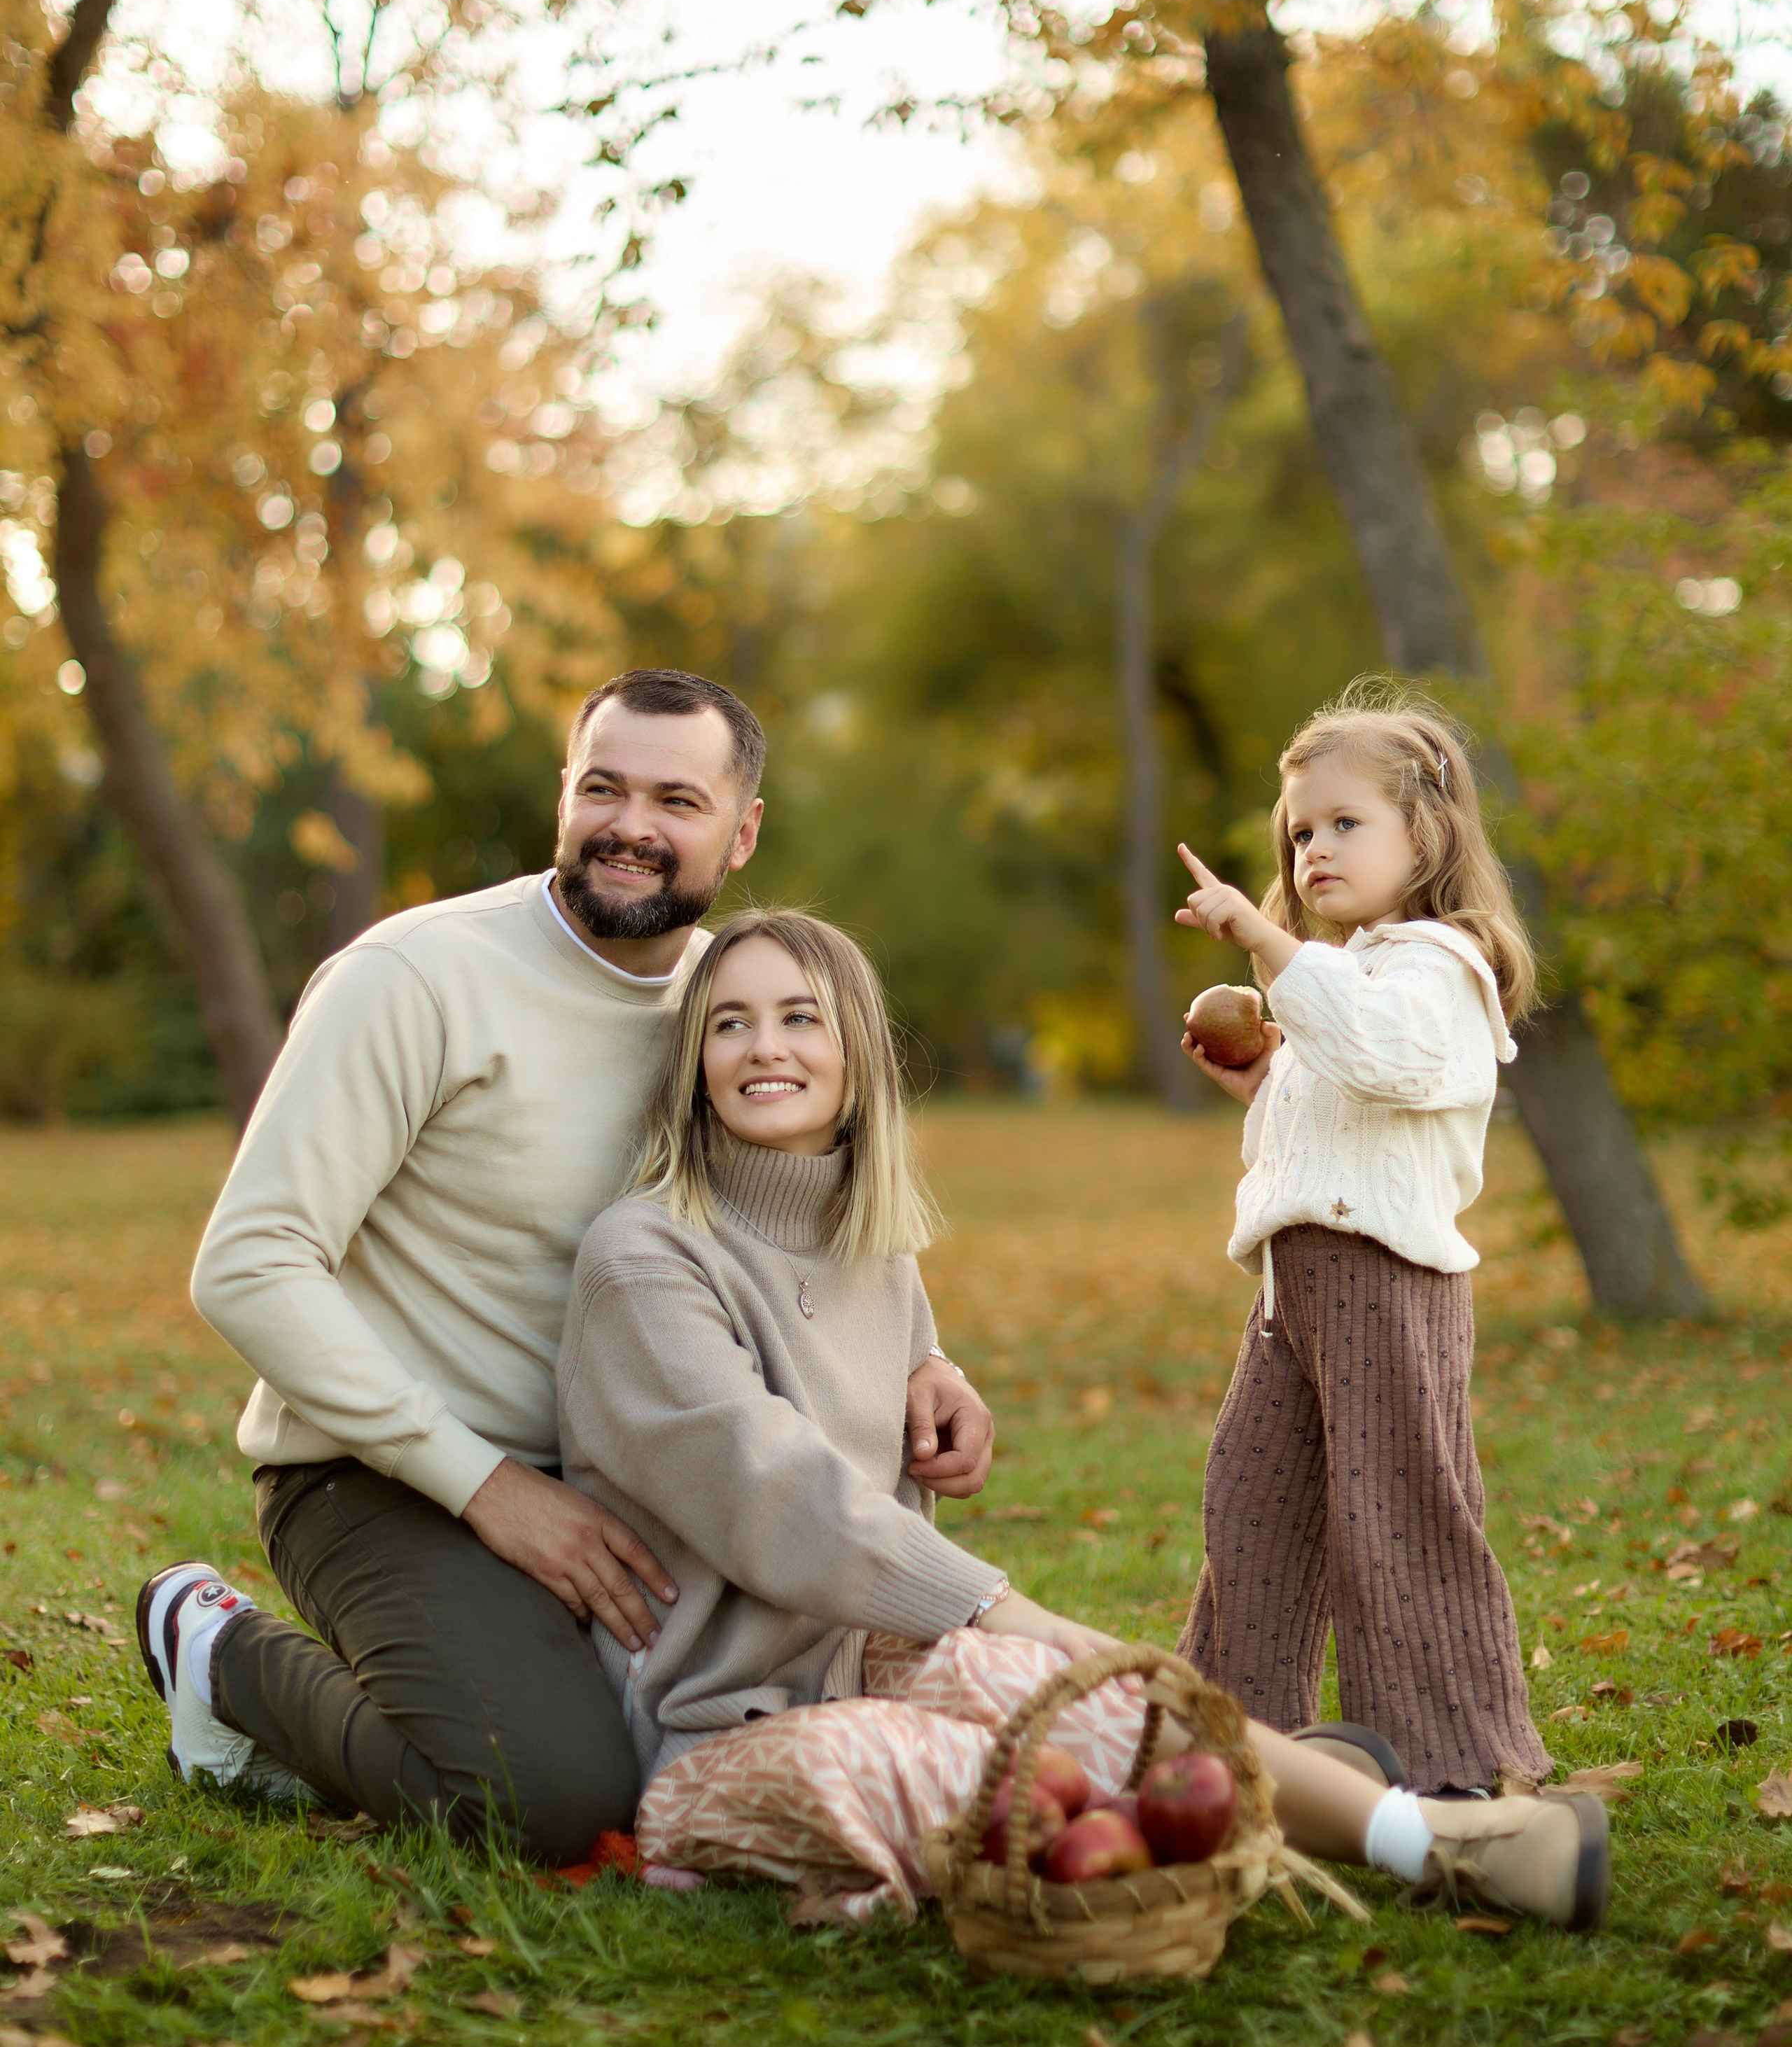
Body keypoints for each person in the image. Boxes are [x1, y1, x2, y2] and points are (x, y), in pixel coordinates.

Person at [554, 903, 1607, 1929]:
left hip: (878, 1661)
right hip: (716, 1737)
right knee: (984, 1754)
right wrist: (995, 1607)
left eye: (799, 1017)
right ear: (693, 1058)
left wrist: (932, 1363)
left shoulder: (864, 1235)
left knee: (1089, 1696)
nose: (760, 1048)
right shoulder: (643, 1261)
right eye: (728, 1023)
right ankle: (1277, 1794)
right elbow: (778, 1493)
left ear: (854, 1052)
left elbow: (859, 1337)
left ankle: (1432, 1840)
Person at [134, 669, 994, 1862]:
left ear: (741, 832)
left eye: (677, 800)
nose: (632, 826)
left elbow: (810, 1190)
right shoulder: (417, 980)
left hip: (638, 1482)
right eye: (605, 787)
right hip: (384, 1475)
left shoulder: (728, 1005)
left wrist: (927, 1354)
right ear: (564, 798)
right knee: (549, 1802)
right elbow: (249, 1263)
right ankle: (219, 1654)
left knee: (723, 1751)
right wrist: (485, 1485)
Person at [1172, 683, 1550, 1796]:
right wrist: (1262, 1085)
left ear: (1424, 833)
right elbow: (1345, 1125)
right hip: (1296, 1292)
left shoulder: (1439, 965)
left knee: (1397, 1518)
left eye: (1346, 823)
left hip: (1386, 1289)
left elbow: (1387, 1054)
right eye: (1299, 833)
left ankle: (1458, 1763)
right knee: (1252, 1503)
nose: (1314, 849)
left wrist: (1265, 944)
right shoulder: (1352, 973)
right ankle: (1236, 1750)